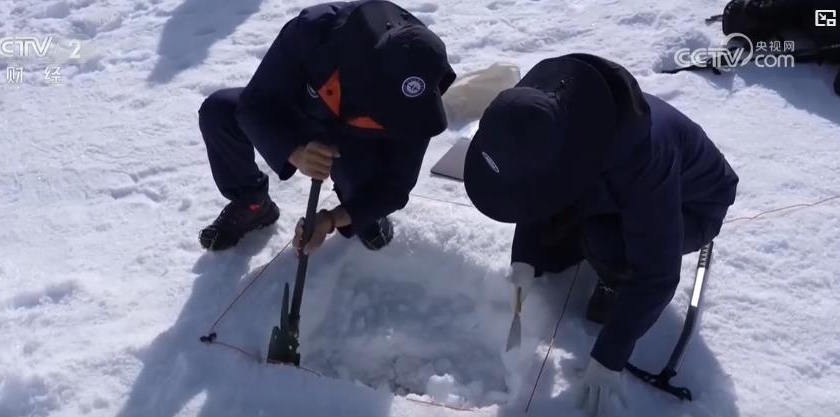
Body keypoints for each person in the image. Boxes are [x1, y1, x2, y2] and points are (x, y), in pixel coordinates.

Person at [462, 54, 738, 416]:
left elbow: (657, 272)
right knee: (551, 249)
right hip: (608, 184)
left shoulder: (642, 160)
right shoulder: (555, 124)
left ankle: (612, 282)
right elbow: (532, 187)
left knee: (611, 245)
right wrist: (525, 259)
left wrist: (610, 357)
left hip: (691, 205)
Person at [197, 0, 456, 253]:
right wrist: (294, 152)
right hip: (302, 113)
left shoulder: (419, 88)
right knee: (219, 111)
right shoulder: (314, 31)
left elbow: (396, 185)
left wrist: (331, 220)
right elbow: (254, 105)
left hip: (359, 141)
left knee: (367, 183)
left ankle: (360, 209)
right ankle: (252, 205)